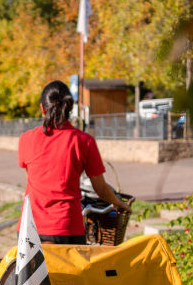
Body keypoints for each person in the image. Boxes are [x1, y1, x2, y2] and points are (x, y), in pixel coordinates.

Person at [18, 80, 130, 244]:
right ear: (70, 108)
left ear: (42, 108)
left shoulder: (26, 139)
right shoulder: (84, 141)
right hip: (67, 228)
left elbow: (33, 179)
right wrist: (120, 204)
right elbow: (100, 189)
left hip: (30, 228)